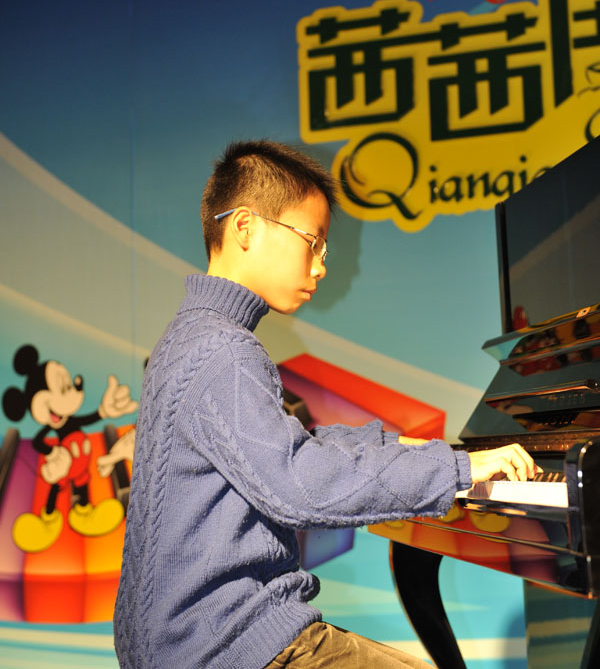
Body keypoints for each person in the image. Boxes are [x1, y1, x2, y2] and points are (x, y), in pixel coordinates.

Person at [114, 139, 536, 669]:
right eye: (312, 242)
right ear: (244, 227)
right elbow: (300, 482)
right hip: (223, 644)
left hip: (185, 641)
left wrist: (400, 446)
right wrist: (456, 470)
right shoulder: (224, 350)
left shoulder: (190, 338)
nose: (320, 267)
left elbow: (288, 446)